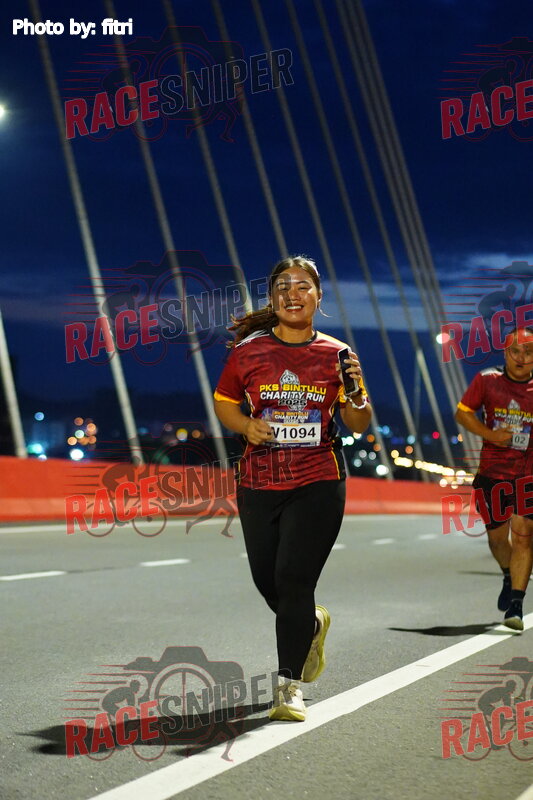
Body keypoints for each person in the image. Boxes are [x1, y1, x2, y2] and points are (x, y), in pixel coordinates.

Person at [213, 255, 372, 721]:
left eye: (303, 286)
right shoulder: (249, 352)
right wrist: (247, 426)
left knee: (294, 580)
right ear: (272, 298)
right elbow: (225, 402)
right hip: (259, 480)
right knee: (268, 581)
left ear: (318, 297)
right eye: (283, 286)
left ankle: (288, 687)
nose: (292, 293)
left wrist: (355, 392)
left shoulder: (337, 354)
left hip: (317, 479)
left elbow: (359, 422)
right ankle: (312, 623)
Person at [455, 328, 533, 631]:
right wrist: (491, 435)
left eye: (529, 352)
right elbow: (463, 413)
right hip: (492, 475)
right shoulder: (487, 380)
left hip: (528, 476)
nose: (522, 358)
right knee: (497, 539)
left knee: (523, 535)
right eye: (516, 351)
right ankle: (507, 574)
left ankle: (516, 605)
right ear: (505, 352)